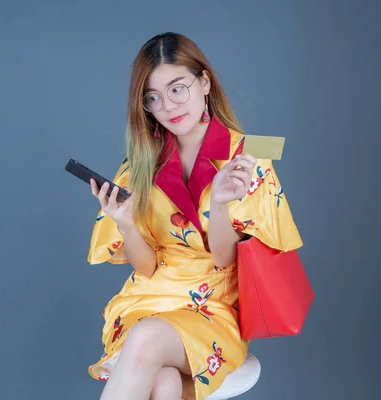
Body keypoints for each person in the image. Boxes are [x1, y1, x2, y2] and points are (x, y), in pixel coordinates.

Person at [86, 32, 302, 400]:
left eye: (177, 89)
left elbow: (225, 260)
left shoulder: (249, 154)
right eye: (153, 98)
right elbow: (147, 268)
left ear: (204, 81)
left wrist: (218, 204)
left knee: (147, 339)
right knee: (163, 383)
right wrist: (125, 223)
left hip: (213, 308)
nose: (168, 106)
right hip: (148, 302)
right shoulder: (139, 164)